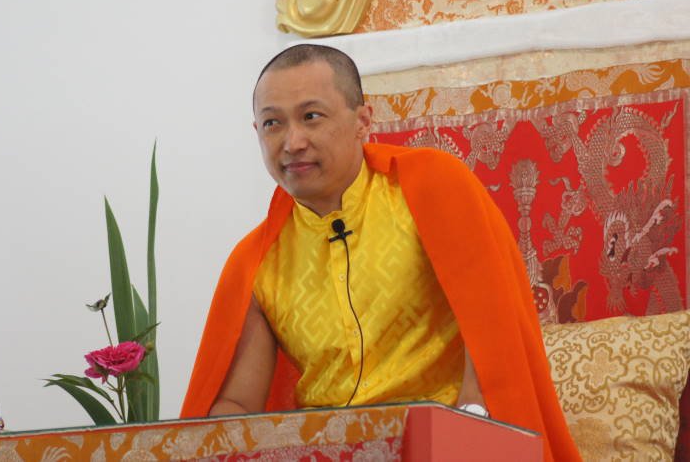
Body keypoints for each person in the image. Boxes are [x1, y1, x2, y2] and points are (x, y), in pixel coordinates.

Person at [181, 44, 580, 461]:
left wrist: (467, 428)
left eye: (311, 117)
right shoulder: (256, 262)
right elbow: (238, 407)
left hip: (445, 442)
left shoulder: (431, 190)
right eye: (272, 124)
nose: (292, 141)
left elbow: (492, 341)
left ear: (362, 120)